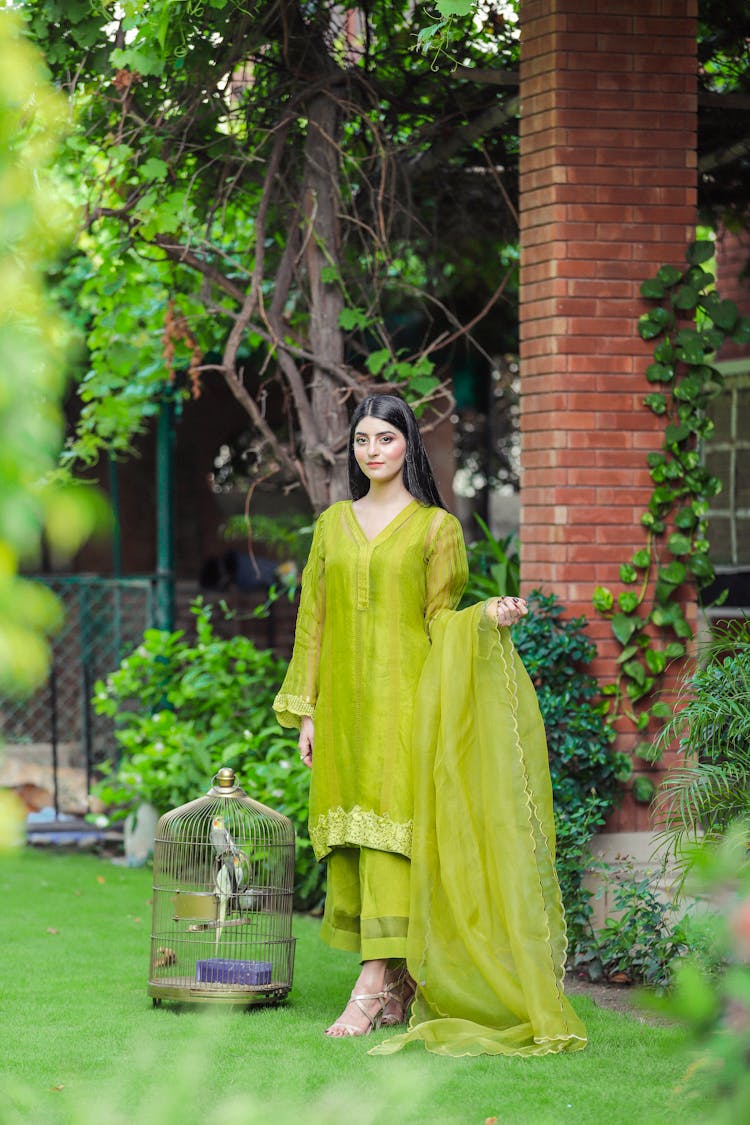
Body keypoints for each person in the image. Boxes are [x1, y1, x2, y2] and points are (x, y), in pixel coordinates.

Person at [273, 393, 587, 1056]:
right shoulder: (332, 524)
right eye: (362, 440)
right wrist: (305, 708)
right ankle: (397, 986)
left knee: (392, 835)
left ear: (407, 446)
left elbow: (440, 620)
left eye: (385, 438)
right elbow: (313, 622)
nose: (372, 451)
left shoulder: (435, 529)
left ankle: (371, 982)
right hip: (343, 714)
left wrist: (487, 615)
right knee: (353, 840)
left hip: (406, 704)